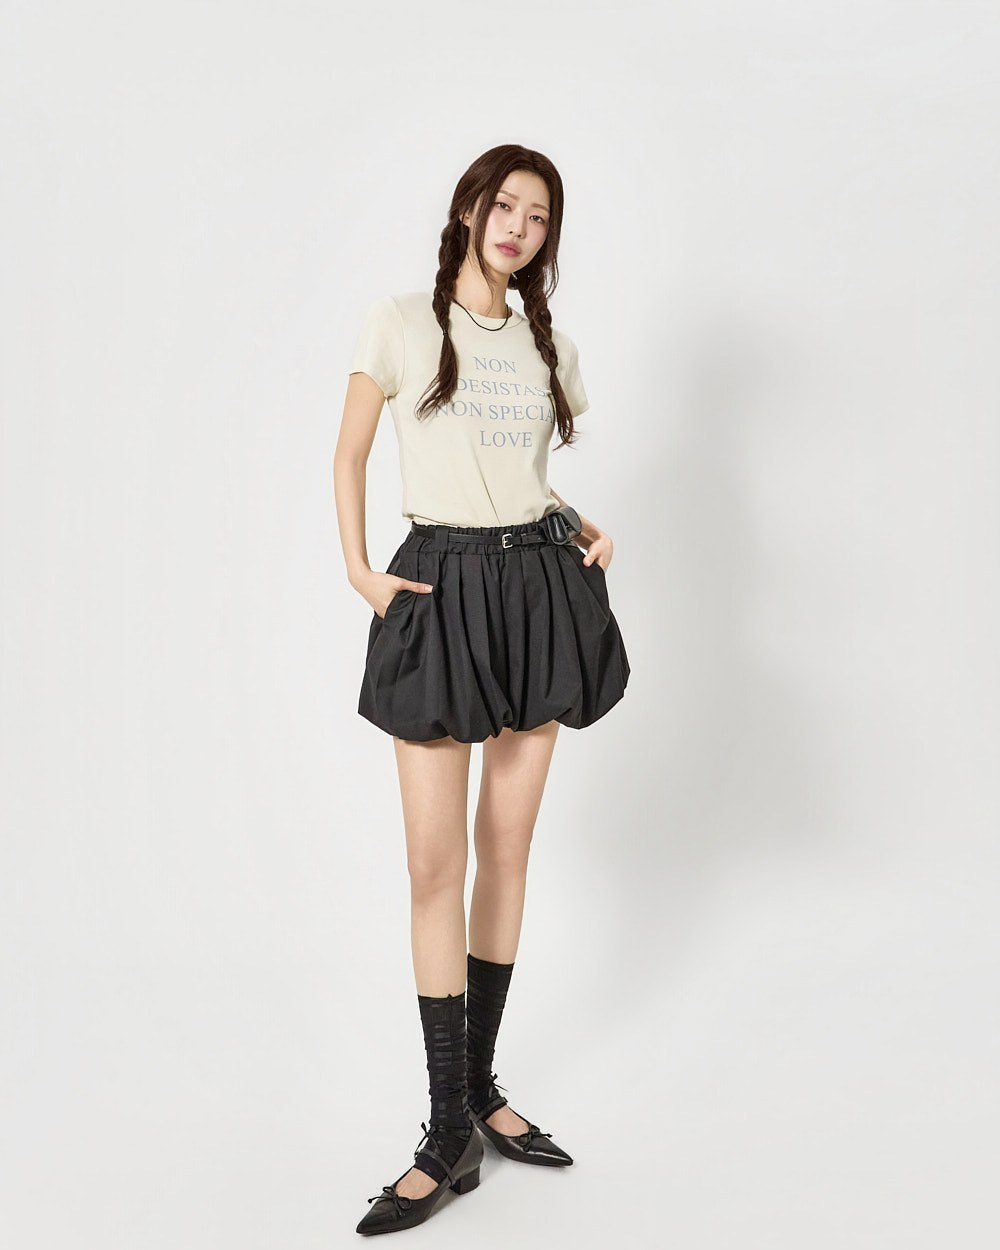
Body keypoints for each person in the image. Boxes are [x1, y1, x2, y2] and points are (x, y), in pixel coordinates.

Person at [333, 143, 631, 1236]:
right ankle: (445, 1122)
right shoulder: (401, 322)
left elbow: (527, 478)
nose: (517, 226)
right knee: (433, 863)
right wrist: (360, 571)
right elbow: (350, 453)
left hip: (537, 586)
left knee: (506, 849)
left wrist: (584, 523)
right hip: (438, 585)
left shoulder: (552, 344)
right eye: (503, 204)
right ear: (468, 208)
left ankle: (476, 1094)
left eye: (538, 216)